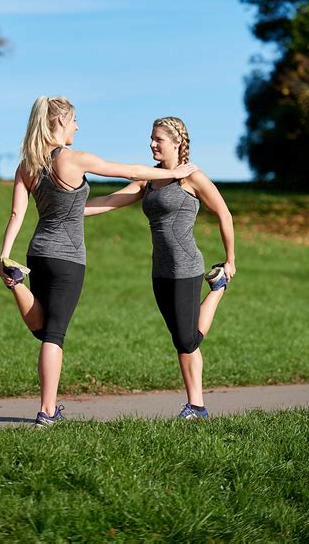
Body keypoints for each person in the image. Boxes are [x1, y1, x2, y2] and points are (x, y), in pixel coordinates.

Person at [0, 98, 198, 427]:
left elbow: (18, 213)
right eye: (74, 121)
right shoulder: (74, 159)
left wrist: (4, 255)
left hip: (38, 250)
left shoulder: (27, 165)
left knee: (43, 329)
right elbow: (130, 172)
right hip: (67, 259)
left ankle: (17, 281)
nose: (77, 127)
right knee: (53, 336)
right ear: (59, 123)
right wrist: (174, 172)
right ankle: (47, 412)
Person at [84, 116, 236, 419]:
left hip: (186, 266)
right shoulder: (148, 178)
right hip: (160, 269)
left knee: (187, 339)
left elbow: (224, 213)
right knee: (181, 339)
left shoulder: (191, 178)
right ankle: (196, 407)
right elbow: (114, 199)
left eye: (158, 140)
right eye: (151, 139)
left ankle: (218, 289)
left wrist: (231, 259)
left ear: (177, 143)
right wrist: (74, 209)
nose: (152, 144)